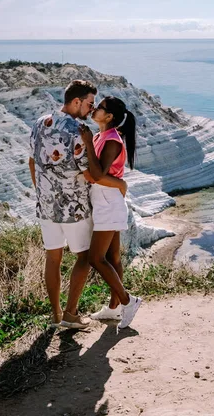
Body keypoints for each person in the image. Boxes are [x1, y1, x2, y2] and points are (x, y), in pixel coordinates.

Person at [29, 80, 127, 329]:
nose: (91, 109)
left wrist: (42, 191)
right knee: (84, 258)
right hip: (75, 208)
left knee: (53, 259)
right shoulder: (78, 131)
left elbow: (32, 162)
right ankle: (71, 314)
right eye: (89, 104)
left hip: (46, 207)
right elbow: (91, 174)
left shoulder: (41, 122)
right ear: (76, 102)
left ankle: (55, 316)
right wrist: (119, 185)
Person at [79, 95, 142, 329]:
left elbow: (97, 174)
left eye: (101, 107)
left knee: (96, 258)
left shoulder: (112, 140)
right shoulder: (100, 136)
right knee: (113, 258)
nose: (95, 108)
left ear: (109, 116)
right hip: (104, 199)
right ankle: (114, 309)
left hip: (108, 202)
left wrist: (86, 143)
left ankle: (128, 300)